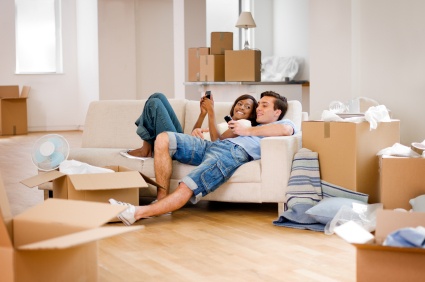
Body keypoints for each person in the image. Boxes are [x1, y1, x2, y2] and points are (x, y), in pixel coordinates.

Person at [110, 91, 296, 226]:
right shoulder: (246, 124)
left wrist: (246, 131)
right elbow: (218, 137)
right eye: (260, 104)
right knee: (164, 138)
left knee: (187, 184)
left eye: (265, 105)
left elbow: (286, 131)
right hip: (211, 146)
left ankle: (136, 212)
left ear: (277, 112)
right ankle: (161, 199)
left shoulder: (283, 123)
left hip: (230, 154)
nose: (259, 108)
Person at [120, 92, 258, 159]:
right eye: (240, 103)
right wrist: (203, 113)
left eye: (247, 107)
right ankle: (148, 149)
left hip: (187, 148)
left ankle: (146, 150)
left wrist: (211, 111)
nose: (242, 107)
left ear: (251, 114)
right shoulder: (225, 123)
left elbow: (217, 142)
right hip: (188, 141)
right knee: (158, 96)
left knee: (154, 104)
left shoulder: (244, 124)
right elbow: (193, 134)